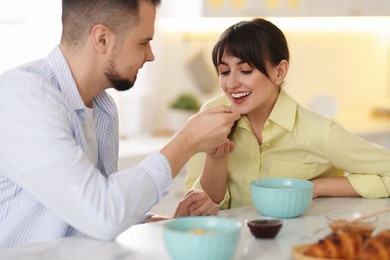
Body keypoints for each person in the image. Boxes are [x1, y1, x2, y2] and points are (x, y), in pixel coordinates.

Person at [0, 0, 240, 248]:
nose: (150, 55)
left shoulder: (104, 109)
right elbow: (102, 214)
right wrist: (186, 141)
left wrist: (169, 223)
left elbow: (101, 213)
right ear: (102, 39)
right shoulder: (25, 98)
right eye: (143, 42)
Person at [185, 18, 390, 210]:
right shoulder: (210, 117)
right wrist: (216, 158)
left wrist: (317, 187)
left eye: (246, 70)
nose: (231, 84)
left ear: (279, 72)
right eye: (224, 71)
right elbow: (199, 207)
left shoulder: (317, 131)